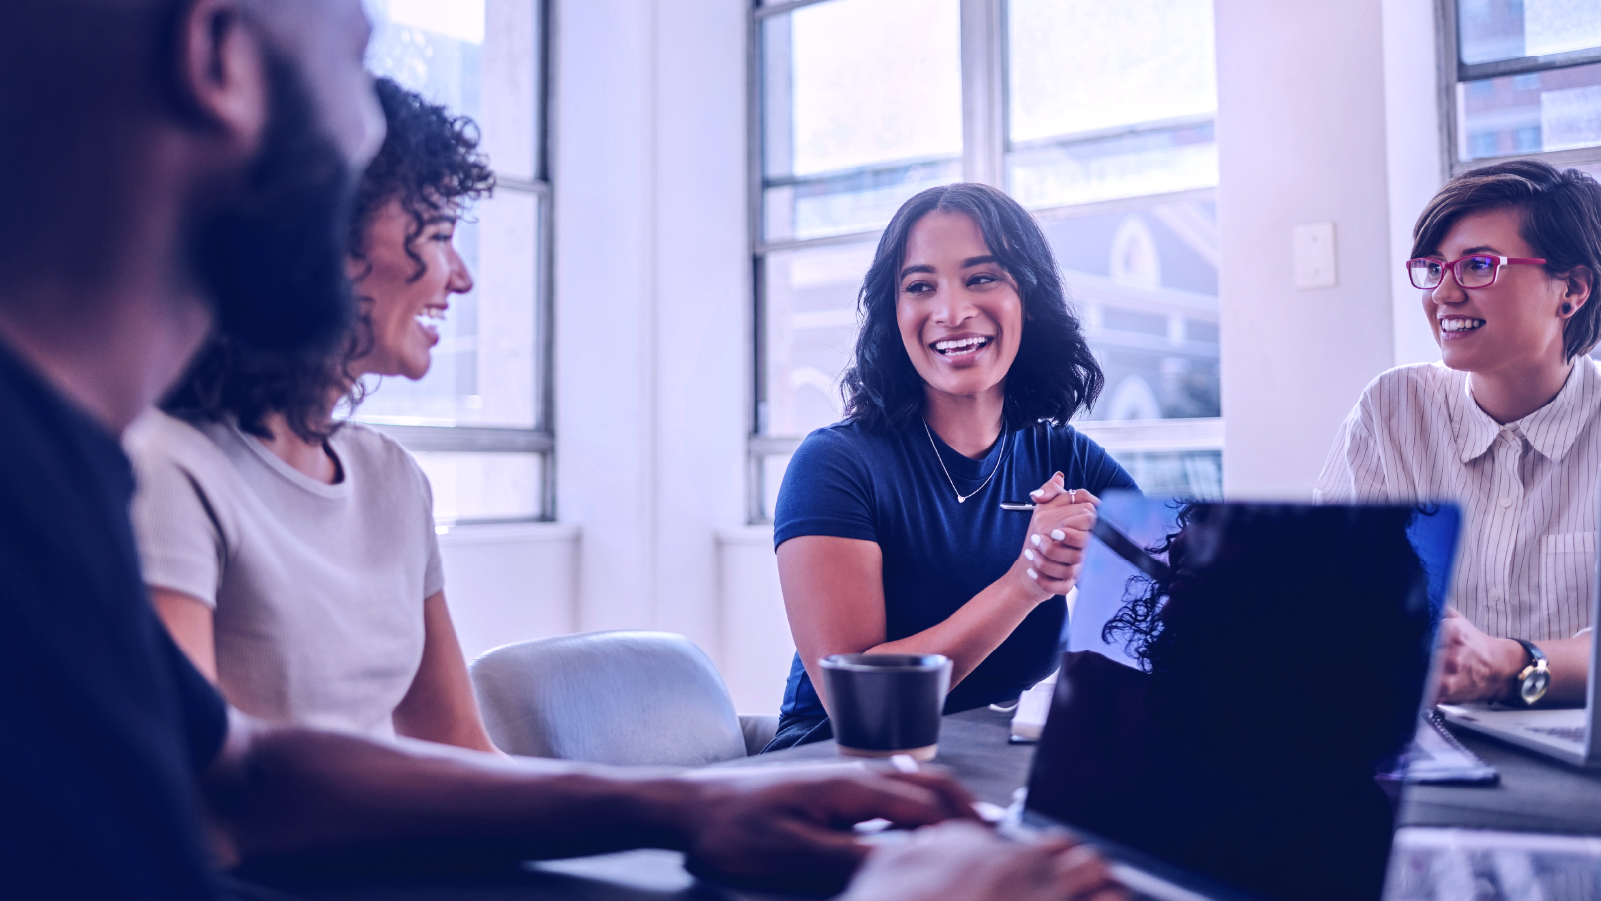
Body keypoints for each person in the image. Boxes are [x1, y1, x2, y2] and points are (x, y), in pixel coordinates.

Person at [0, 2, 1122, 899]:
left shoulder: (75, 465)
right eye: (353, 57)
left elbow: (240, 769)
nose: (462, 270)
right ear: (220, 57)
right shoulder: (106, 480)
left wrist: (691, 804)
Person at [126, 77, 497, 751]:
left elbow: (459, 740)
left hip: (398, 857)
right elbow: (209, 782)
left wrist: (649, 812)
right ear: (334, 235)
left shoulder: (393, 478)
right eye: (439, 233)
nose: (460, 276)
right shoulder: (168, 467)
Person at [768, 183, 1137, 750]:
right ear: (895, 314)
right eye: (920, 286)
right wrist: (1029, 581)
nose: (952, 312)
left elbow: (1184, 605)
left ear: (1028, 298)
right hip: (841, 768)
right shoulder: (834, 465)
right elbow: (860, 700)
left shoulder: (1066, 458)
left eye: (982, 278)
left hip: (999, 765)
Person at [1032, 504, 1436, 901]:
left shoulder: (1347, 818)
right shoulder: (1087, 695)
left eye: (1237, 526)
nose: (1184, 540)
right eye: (1199, 518)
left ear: (1324, 587)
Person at [1316, 160, 1601, 706]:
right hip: (1415, 746)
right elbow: (1330, 592)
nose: (1443, 294)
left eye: (1477, 266)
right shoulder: (1391, 411)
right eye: (1433, 268)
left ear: (1572, 289)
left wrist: (1510, 666)